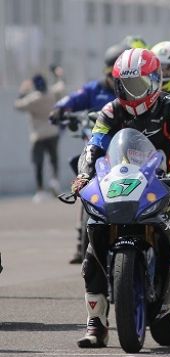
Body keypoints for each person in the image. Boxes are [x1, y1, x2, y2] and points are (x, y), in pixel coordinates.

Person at [72, 48, 170, 347]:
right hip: (119, 183)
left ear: (155, 80)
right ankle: (96, 323)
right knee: (93, 233)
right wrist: (84, 174)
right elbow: (93, 145)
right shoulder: (110, 111)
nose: (131, 93)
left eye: (138, 85)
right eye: (124, 85)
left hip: (168, 183)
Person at [50, 43, 127, 264]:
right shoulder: (94, 89)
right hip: (99, 152)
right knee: (84, 186)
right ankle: (81, 241)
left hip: (127, 153)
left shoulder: (138, 97)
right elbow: (72, 100)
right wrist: (60, 109)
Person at [15, 72, 65, 202]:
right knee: (54, 159)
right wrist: (57, 74)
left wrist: (23, 90)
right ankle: (54, 180)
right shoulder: (52, 93)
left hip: (38, 135)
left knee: (38, 163)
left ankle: (40, 191)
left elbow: (18, 105)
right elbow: (60, 87)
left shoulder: (33, 99)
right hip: (53, 132)